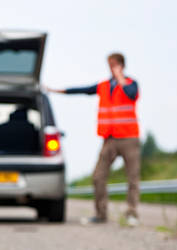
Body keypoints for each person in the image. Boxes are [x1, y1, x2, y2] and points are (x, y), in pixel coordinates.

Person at [45, 52, 140, 226]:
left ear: (121, 65)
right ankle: (101, 214)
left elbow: (131, 94)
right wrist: (55, 90)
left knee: (132, 177)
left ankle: (131, 214)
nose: (111, 68)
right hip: (109, 138)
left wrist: (120, 78)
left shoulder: (131, 84)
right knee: (98, 176)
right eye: (109, 65)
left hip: (128, 137)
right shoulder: (103, 86)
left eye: (114, 65)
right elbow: (82, 90)